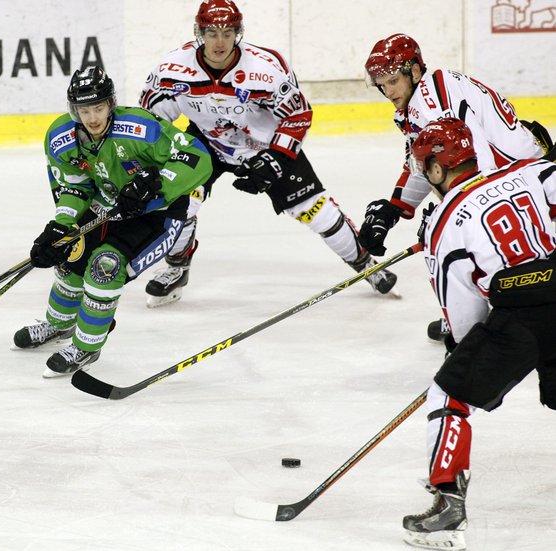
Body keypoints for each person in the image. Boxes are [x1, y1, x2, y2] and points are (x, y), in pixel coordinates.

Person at [138, 0, 397, 308]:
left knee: (316, 211)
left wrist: (275, 158)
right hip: (206, 141)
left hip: (265, 145)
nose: (219, 41)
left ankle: (363, 261)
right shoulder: (172, 69)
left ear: (238, 32)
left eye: (227, 32)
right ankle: (177, 266)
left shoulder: (265, 68)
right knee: (179, 199)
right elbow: (151, 119)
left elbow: (298, 114)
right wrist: (154, 162)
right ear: (199, 33)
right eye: (211, 33)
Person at [402, 118, 556, 551]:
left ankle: (448, 510)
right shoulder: (527, 171)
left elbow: (462, 304)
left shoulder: (445, 221)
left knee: (447, 397)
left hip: (519, 315)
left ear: (435, 168)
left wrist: (461, 351)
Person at [13, 65, 212, 377]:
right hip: (107, 207)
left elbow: (197, 157)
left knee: (104, 268)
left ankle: (86, 346)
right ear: (72, 110)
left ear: (111, 104)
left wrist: (157, 184)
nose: (92, 118)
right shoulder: (61, 137)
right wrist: (61, 226)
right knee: (70, 258)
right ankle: (58, 325)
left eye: (99, 108)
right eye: (83, 110)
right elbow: (75, 186)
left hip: (157, 215)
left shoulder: (140, 128)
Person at [359, 33, 552, 342]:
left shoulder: (432, 103)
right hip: (523, 177)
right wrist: (395, 207)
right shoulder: (424, 97)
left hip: (525, 182)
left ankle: (472, 320)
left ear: (415, 71)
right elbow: (427, 163)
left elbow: (476, 162)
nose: (387, 90)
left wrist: (452, 210)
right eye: (381, 84)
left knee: (449, 235)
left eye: (392, 80)